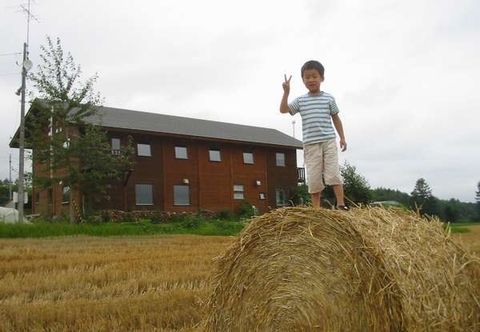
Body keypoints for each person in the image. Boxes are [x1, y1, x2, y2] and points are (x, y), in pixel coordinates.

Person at [280, 60, 348, 210]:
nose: (311, 80)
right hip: (310, 144)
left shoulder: (329, 98)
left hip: (328, 141)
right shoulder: (301, 100)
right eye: (307, 77)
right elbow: (284, 110)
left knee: (333, 173)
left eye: (314, 76)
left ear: (322, 78)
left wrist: (342, 137)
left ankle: (341, 205)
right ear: (303, 80)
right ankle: (316, 210)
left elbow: (336, 118)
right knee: (314, 177)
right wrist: (286, 93)